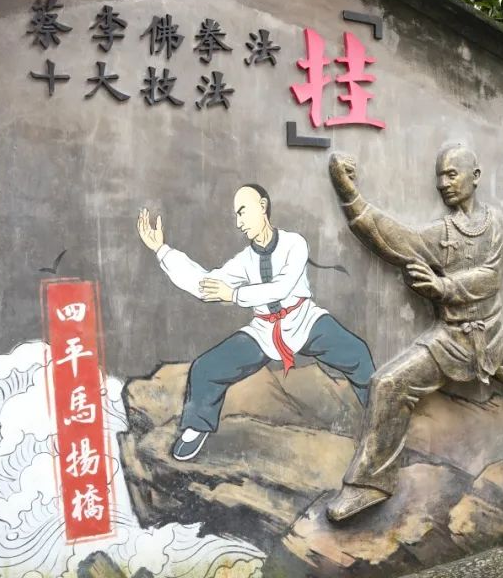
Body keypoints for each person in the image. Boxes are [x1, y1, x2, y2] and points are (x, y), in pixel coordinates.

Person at [323, 146, 503, 523]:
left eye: (451, 174)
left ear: (475, 177)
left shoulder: (495, 224)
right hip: (451, 338)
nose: (442, 183)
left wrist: (441, 287)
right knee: (388, 385)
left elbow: (490, 277)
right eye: (439, 176)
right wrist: (350, 194)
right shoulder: (442, 233)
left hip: (494, 333)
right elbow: (395, 240)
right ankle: (369, 485)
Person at [137, 184, 375, 461]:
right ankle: (196, 427)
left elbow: (282, 288)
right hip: (264, 331)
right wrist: (162, 251)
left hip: (303, 320)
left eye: (242, 212)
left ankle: (380, 420)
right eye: (236, 216)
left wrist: (235, 295)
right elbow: (204, 285)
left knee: (357, 353)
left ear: (262, 206)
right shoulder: (243, 262)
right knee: (205, 368)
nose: (239, 222)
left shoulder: (294, 244)